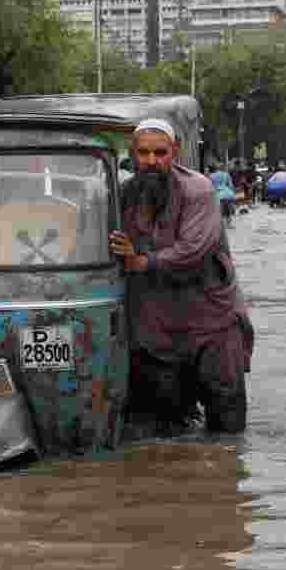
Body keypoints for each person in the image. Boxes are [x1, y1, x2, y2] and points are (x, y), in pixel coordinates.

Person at [108, 119, 254, 435]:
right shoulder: (123, 195)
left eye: (160, 153)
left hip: (210, 324)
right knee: (160, 434)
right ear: (132, 155)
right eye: (143, 153)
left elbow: (193, 250)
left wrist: (141, 261)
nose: (151, 161)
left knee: (227, 429)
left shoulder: (198, 189)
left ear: (174, 152)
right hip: (155, 331)